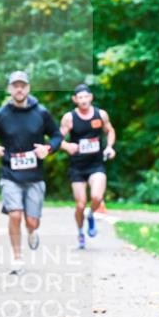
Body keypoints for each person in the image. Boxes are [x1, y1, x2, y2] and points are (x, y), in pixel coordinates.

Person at [0, 70, 63, 274]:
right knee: (15, 214)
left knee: (32, 221)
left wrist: (48, 148)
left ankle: (32, 231)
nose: (19, 89)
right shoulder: (1, 114)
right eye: (15, 85)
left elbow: (57, 136)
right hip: (10, 175)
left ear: (28, 88)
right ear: (9, 89)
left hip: (34, 176)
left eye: (22, 85)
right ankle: (17, 258)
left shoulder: (41, 112)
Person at [59, 82, 116, 249]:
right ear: (75, 99)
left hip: (96, 164)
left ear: (91, 97)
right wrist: (67, 146)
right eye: (80, 97)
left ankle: (91, 216)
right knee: (80, 204)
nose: (83, 100)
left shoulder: (100, 115)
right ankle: (80, 233)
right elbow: (57, 139)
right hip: (77, 166)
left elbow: (110, 131)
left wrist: (109, 147)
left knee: (97, 197)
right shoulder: (69, 118)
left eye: (86, 96)